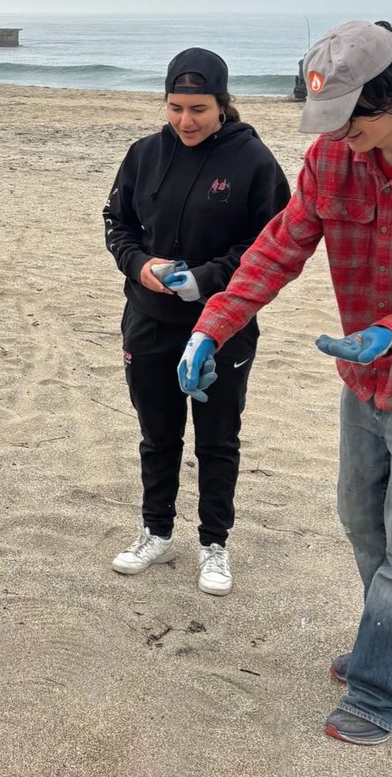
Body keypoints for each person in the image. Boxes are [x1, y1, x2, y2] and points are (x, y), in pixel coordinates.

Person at [178, 20, 392, 743]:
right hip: (362, 379)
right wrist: (214, 324)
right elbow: (280, 246)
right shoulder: (333, 158)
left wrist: (391, 332)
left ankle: (381, 688)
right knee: (361, 519)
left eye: (350, 118)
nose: (336, 135)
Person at [103, 48, 291, 595]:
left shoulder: (253, 161)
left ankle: (214, 544)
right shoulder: (143, 154)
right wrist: (142, 266)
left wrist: (207, 278)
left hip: (222, 323)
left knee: (217, 437)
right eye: (175, 107)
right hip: (148, 319)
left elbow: (269, 246)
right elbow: (118, 223)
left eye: (199, 108)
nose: (186, 120)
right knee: (157, 433)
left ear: (223, 105)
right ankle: (156, 531)